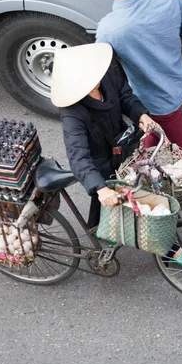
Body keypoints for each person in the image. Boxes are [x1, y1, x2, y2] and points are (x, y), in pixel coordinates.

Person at [95, 0, 182, 212]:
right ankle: (138, 174)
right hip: (178, 80)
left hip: (154, 99)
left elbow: (103, 69)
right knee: (151, 136)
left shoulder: (109, 29)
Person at [50, 43, 157, 228]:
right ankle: (98, 229)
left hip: (123, 146)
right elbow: (78, 157)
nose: (95, 81)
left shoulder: (106, 76)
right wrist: (99, 188)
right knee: (107, 193)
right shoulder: (72, 113)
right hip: (100, 161)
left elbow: (125, 96)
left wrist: (141, 114)